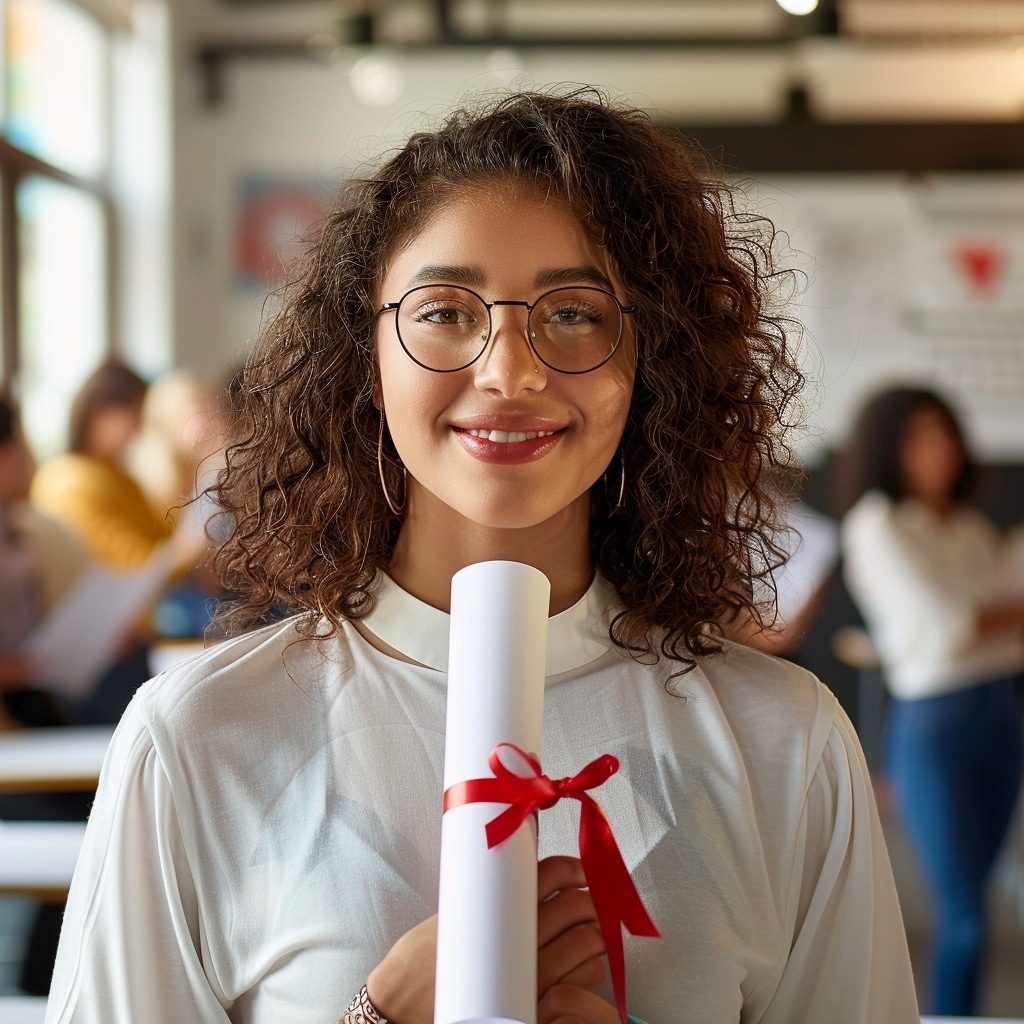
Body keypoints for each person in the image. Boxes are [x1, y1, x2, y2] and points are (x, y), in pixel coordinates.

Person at [45, 89, 918, 1023]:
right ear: (364, 353)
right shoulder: (202, 738)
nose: (510, 369)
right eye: (447, 310)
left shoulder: (784, 743)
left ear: (649, 361)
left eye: (575, 312)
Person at [835, 386, 1024, 1016]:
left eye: (945, 433)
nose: (937, 449)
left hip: (1004, 710)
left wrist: (987, 619)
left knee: (981, 902)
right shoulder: (878, 523)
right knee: (964, 911)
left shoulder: (969, 526)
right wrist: (995, 617)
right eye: (918, 436)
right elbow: (946, 626)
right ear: (889, 447)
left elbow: (983, 625)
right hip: (937, 724)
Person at [31, 360, 174, 570]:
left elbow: (163, 537)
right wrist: (185, 552)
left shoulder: (121, 477)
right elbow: (132, 562)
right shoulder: (65, 479)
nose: (138, 428)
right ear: (100, 412)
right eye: (135, 412)